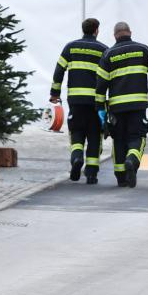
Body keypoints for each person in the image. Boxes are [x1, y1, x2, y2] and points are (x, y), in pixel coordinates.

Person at [96, 21, 148, 188]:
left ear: (114, 35)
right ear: (130, 32)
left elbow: (101, 85)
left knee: (118, 139)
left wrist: (100, 108)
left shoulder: (108, 54)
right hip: (137, 106)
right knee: (137, 137)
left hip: (117, 107)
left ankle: (120, 177)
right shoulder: (143, 49)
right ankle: (132, 159)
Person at [51, 18, 108, 184]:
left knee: (76, 132)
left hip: (75, 100)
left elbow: (59, 71)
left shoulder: (70, 47)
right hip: (95, 102)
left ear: (83, 29)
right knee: (94, 135)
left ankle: (76, 158)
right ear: (96, 30)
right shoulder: (104, 50)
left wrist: (54, 93)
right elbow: (109, 77)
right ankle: (91, 174)